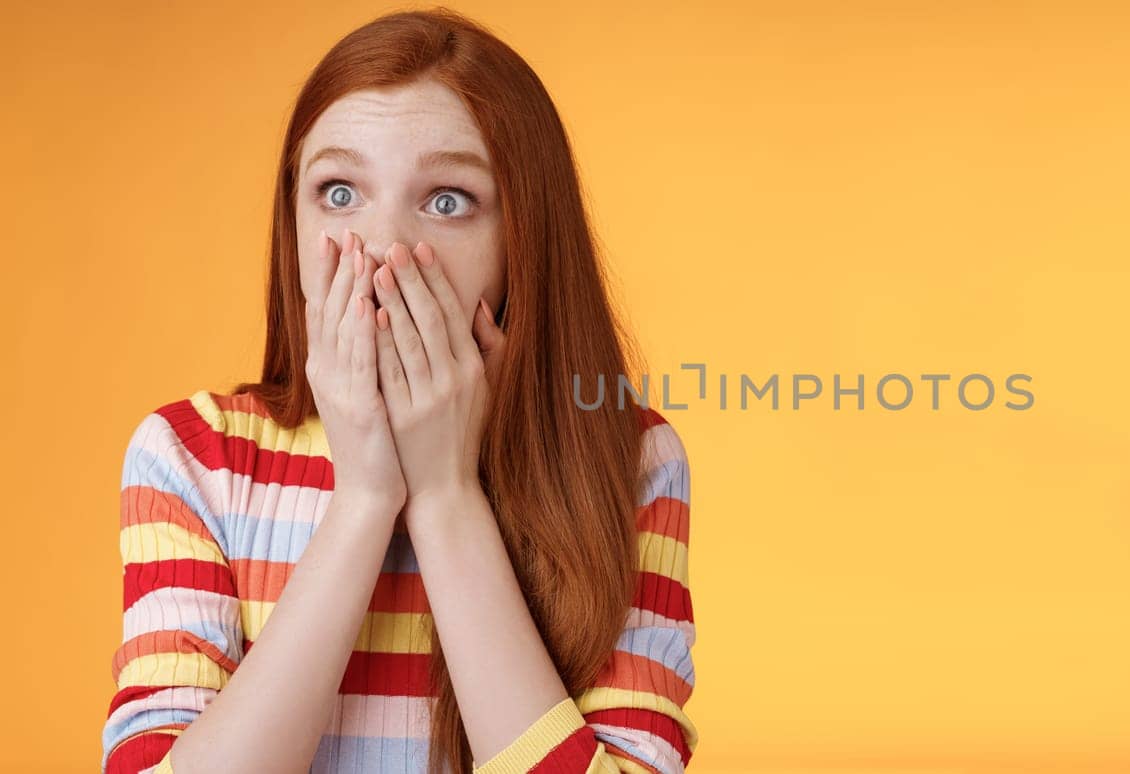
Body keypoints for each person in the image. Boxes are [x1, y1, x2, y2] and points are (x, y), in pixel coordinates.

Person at [100, 9, 697, 774]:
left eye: (447, 199)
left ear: (524, 240)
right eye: (339, 191)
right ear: (293, 220)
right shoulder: (191, 457)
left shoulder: (633, 464)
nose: (380, 247)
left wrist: (447, 494)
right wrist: (363, 501)